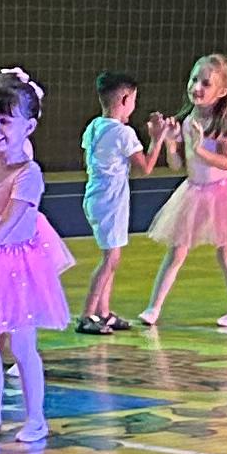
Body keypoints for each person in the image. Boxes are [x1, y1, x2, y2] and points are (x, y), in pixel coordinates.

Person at [0, 68, 72, 447]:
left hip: (19, 265)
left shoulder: (29, 173)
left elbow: (11, 219)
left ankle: (36, 418)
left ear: (29, 127)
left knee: (21, 346)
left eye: (5, 121)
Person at [141, 52, 227, 332]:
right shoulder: (187, 119)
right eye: (194, 80)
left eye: (206, 83)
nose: (197, 87)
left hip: (224, 192)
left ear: (222, 91)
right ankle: (154, 307)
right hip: (194, 191)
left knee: (226, 255)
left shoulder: (224, 122)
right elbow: (177, 165)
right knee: (176, 252)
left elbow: (226, 162)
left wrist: (199, 149)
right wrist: (170, 144)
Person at [76, 73, 148, 333]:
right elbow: (145, 168)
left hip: (95, 196)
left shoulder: (94, 126)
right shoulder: (124, 133)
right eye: (133, 100)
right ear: (125, 99)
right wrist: (159, 137)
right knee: (110, 259)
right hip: (111, 201)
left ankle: (104, 313)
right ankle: (87, 315)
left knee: (111, 256)